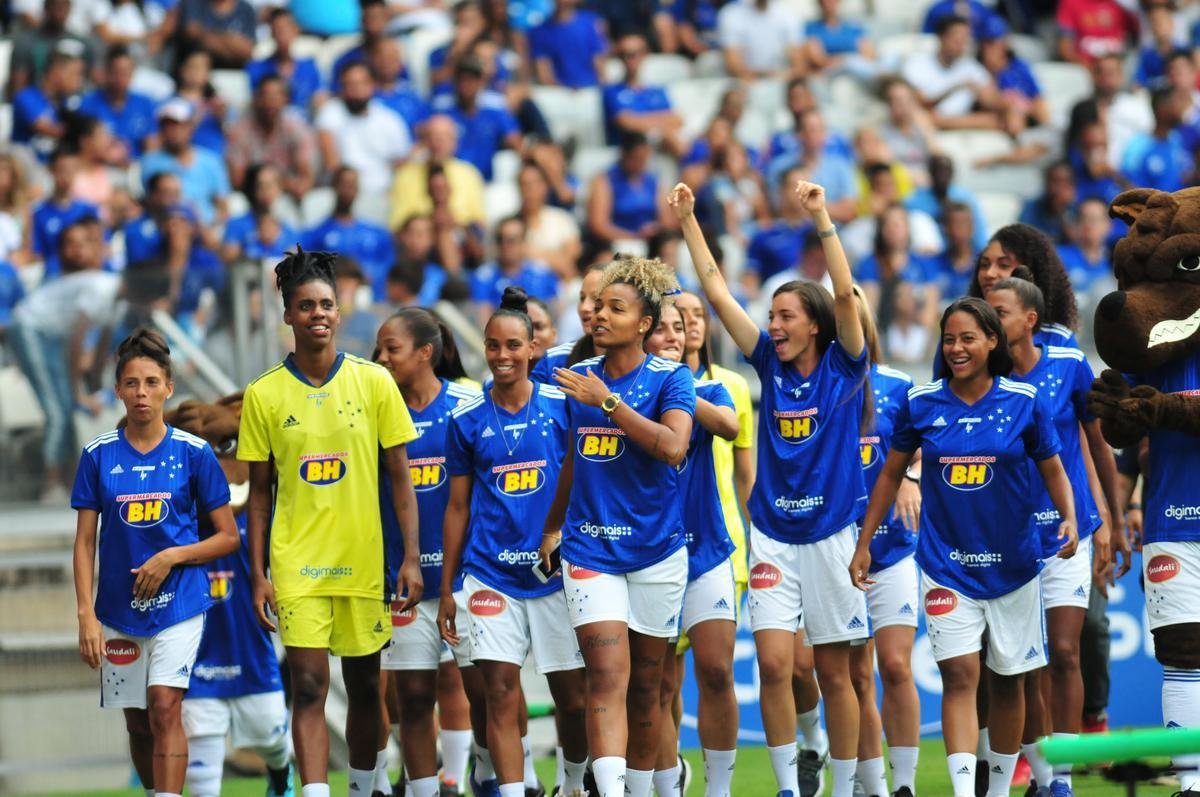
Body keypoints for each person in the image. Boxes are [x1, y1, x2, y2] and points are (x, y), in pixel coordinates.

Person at [670, 179, 868, 797]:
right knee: (777, 666)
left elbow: (844, 291)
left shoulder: (845, 364)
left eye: (785, 317)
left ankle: (842, 786)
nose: (773, 325)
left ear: (815, 325)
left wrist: (822, 219)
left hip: (833, 535)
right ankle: (786, 788)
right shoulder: (766, 366)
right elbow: (718, 291)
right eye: (773, 317)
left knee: (835, 675)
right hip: (774, 538)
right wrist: (688, 221)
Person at [849, 297, 1078, 797]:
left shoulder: (1024, 400)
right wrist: (864, 543)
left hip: (1015, 565)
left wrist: (1069, 517)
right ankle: (962, 791)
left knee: (1010, 681)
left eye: (967, 338)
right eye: (949, 339)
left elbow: (1053, 467)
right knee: (959, 674)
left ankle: (997, 790)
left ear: (992, 341)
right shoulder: (922, 402)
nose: (956, 348)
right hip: (945, 564)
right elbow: (890, 473)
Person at [238, 249, 423, 797]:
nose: (318, 313)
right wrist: (258, 574)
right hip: (297, 565)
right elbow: (257, 496)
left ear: (338, 312)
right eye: (306, 305)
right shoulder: (263, 394)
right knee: (310, 685)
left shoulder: (374, 383)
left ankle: (365, 788)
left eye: (327, 303)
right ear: (288, 315)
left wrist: (409, 557)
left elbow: (401, 479)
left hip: (364, 561)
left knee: (367, 687)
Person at [538, 255, 696, 797]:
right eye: (598, 307)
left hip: (657, 553)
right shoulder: (576, 380)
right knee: (606, 678)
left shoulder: (672, 377)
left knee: (648, 688)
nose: (599, 316)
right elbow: (572, 462)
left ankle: (644, 786)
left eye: (615, 308)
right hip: (591, 552)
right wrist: (552, 527)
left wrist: (606, 403)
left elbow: (673, 448)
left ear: (646, 323)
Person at [71, 328, 240, 797]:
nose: (141, 393)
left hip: (180, 604)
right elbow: (85, 544)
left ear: (169, 386)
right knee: (139, 724)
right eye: (131, 383)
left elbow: (227, 538)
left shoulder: (194, 453)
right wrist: (86, 615)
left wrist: (171, 557)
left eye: (151, 382)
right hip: (118, 612)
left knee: (165, 705)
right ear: (119, 390)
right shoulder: (97, 455)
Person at [439, 287, 591, 797]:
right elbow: (457, 507)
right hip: (489, 574)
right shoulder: (465, 419)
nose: (502, 356)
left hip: (553, 575)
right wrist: (446, 588)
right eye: (492, 346)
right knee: (498, 694)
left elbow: (586, 478)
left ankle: (571, 783)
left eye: (512, 346)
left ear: (532, 350)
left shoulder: (562, 405)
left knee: (572, 699)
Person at [985, 273, 1127, 796]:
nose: (988, 320)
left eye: (998, 311)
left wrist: (1113, 518)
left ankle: (1061, 779)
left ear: (1029, 320)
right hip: (1009, 540)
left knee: (1065, 651)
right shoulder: (980, 374)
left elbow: (1098, 443)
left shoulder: (1069, 365)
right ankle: (1039, 771)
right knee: (1025, 665)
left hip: (1070, 530)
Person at [374, 308, 481, 797]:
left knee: (482, 690)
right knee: (412, 697)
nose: (380, 359)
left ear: (425, 353)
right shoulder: (374, 410)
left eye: (390, 349)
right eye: (378, 349)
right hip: (402, 580)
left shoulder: (469, 402)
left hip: (467, 578)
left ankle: (481, 776)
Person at [642, 300, 741, 797]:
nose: (673, 336)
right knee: (658, 684)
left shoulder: (709, 388)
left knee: (718, 670)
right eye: (660, 329)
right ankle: (667, 787)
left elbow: (730, 427)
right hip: (647, 557)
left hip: (706, 551)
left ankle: (718, 789)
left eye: (678, 329)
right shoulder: (624, 396)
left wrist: (675, 388)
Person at [848, 286, 922, 797]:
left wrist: (914, 475)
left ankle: (906, 784)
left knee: (895, 664)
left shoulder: (898, 386)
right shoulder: (812, 388)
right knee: (854, 675)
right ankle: (871, 786)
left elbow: (931, 446)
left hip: (892, 547)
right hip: (832, 548)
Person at [11, 218, 120, 503]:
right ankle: (51, 484)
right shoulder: (103, 287)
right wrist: (78, 392)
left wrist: (91, 393)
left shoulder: (111, 293)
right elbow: (77, 344)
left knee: (66, 409)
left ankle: (73, 480)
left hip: (49, 337)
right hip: (31, 329)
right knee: (57, 410)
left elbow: (99, 352)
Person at [968, 224, 1080, 349]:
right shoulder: (960, 332)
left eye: (1004, 265)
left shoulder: (1059, 340)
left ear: (1031, 274)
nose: (989, 273)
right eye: (984, 265)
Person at [220, 163, 298, 264]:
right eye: (260, 185)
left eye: (269, 186)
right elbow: (226, 258)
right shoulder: (237, 224)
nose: (265, 191)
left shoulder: (290, 228)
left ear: (280, 189)